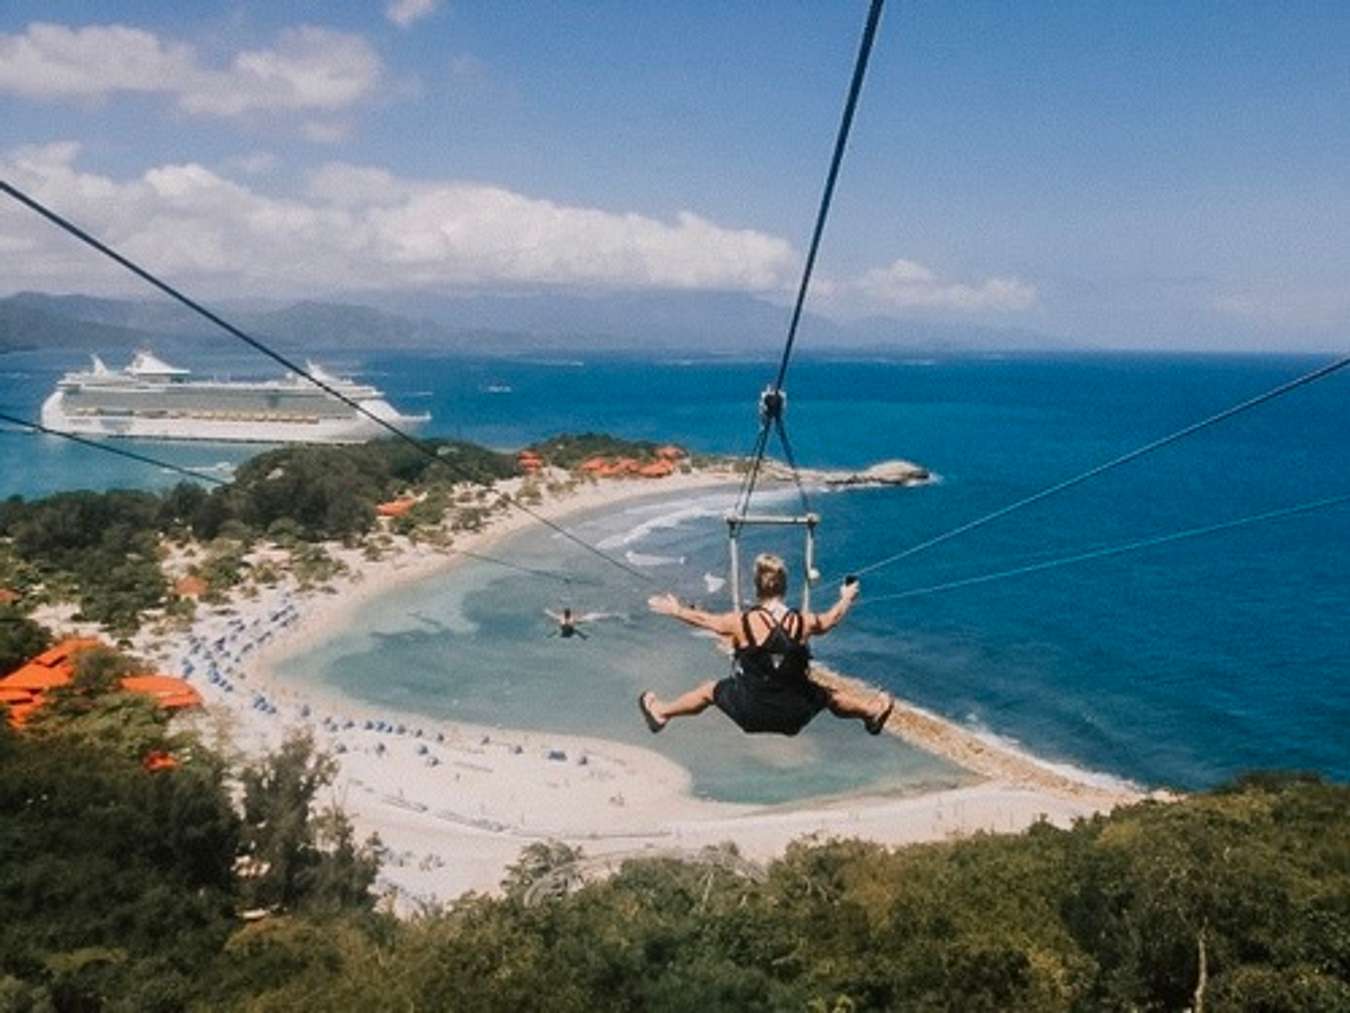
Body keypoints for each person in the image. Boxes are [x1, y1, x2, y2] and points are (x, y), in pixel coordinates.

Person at [639, 553, 893, 737]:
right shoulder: (803, 622)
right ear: (784, 586)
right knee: (829, 696)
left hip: (750, 711)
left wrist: (676, 610)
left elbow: (705, 620)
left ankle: (662, 712)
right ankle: (870, 713)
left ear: (757, 586)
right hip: (795, 712)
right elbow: (831, 620)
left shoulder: (739, 622)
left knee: (708, 691)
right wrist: (846, 598)